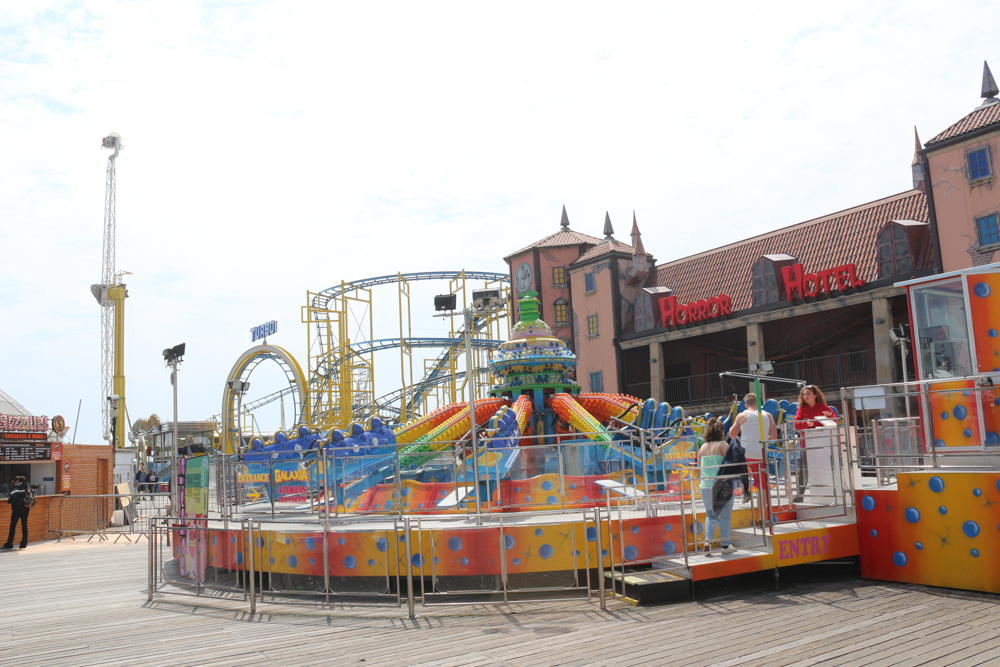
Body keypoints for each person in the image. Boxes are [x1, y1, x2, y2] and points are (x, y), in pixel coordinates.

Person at [697, 418, 737, 554]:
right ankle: (725, 546)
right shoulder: (722, 445)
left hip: (705, 486)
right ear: (721, 432)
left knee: (711, 516)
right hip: (721, 486)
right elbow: (732, 464)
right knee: (725, 516)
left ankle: (707, 542)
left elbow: (699, 468)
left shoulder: (702, 447)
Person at [729, 393, 778, 503]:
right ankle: (762, 515)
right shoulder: (768, 415)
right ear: (759, 404)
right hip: (760, 452)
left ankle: (746, 491)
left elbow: (732, 435)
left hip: (746, 453)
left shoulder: (742, 416)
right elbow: (774, 437)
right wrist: (765, 438)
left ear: (746, 405)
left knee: (741, 468)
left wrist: (740, 439)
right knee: (762, 486)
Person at [3, 475, 30, 550]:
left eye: (13, 482)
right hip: (26, 508)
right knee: (24, 526)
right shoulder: (27, 486)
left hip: (17, 509)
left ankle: (9, 543)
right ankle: (23, 544)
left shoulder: (17, 488)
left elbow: (12, 498)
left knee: (13, 526)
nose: (13, 484)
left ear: (17, 481)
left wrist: (8, 500)